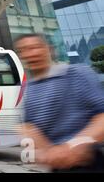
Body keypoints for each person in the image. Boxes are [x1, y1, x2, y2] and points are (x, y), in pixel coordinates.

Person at [14, 33, 104, 172]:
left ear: (49, 49)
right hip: (57, 166)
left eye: (35, 47)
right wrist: (47, 152)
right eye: (23, 50)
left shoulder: (76, 74)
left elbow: (102, 117)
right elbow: (29, 126)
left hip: (89, 163)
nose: (30, 53)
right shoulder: (29, 89)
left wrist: (73, 147)